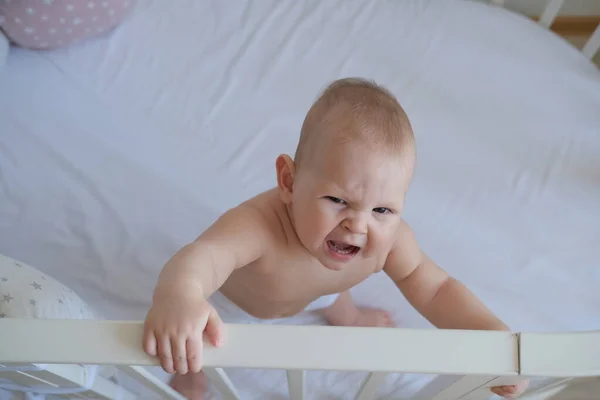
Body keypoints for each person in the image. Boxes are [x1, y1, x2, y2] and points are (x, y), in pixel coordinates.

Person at [143, 78, 528, 399]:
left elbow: (436, 289)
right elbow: (204, 257)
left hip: (321, 288)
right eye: (338, 200)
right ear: (289, 182)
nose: (358, 226)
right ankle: (191, 376)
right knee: (194, 343)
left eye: (382, 210)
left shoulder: (387, 241)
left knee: (332, 288)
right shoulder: (259, 226)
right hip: (235, 303)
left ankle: (348, 315)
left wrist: (489, 334)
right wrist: (181, 295)